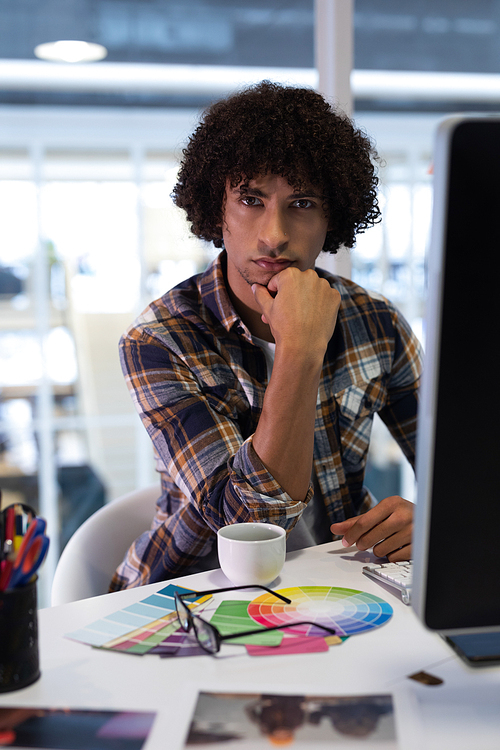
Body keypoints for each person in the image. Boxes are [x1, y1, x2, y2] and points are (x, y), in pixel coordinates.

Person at [110, 81, 422, 591]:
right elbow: (251, 522)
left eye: (301, 202)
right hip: (190, 596)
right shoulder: (160, 340)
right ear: (218, 211)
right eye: (251, 199)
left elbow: (466, 476)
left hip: (342, 583)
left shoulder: (376, 321)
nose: (274, 234)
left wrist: (429, 519)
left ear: (331, 219)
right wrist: (300, 348)